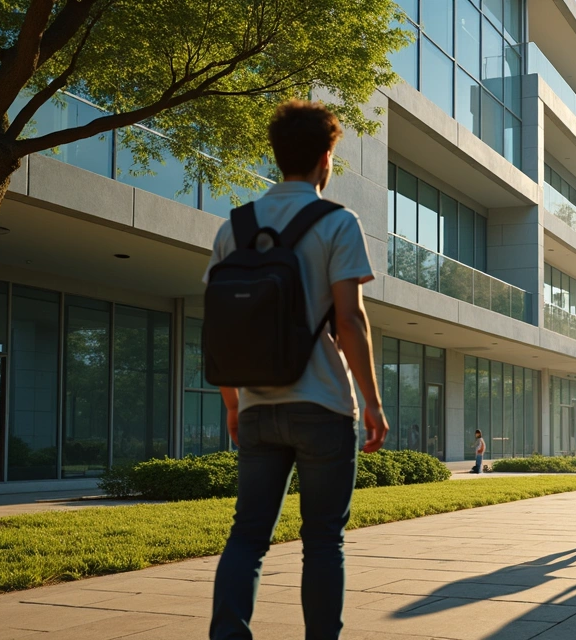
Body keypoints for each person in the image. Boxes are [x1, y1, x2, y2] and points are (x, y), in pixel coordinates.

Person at [208, 101, 390, 640]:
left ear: (277, 155)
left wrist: (233, 403)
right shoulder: (336, 222)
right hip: (324, 406)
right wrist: (373, 401)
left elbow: (222, 326)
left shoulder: (233, 228)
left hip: (259, 408)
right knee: (323, 541)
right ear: (326, 158)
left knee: (247, 537)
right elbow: (350, 320)